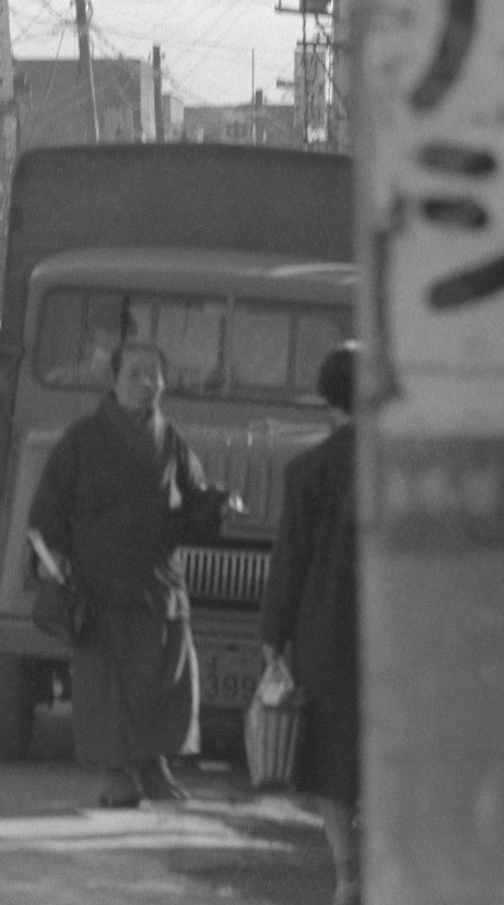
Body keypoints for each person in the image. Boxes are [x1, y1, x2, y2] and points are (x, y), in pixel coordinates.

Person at [27, 341, 234, 807]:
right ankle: (118, 773)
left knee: (168, 678)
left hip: (158, 578)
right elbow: (48, 508)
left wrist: (216, 504)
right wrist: (50, 555)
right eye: (135, 375)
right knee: (107, 685)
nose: (146, 384)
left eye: (154, 375)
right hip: (100, 582)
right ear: (113, 382)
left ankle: (154, 765)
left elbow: (193, 496)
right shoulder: (81, 440)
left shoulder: (171, 438)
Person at [259, 344, 360, 905]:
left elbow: (289, 562)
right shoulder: (402, 464)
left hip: (326, 634)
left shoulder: (308, 472)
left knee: (329, 762)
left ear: (327, 397)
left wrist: (273, 640)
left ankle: (347, 873)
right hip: (396, 635)